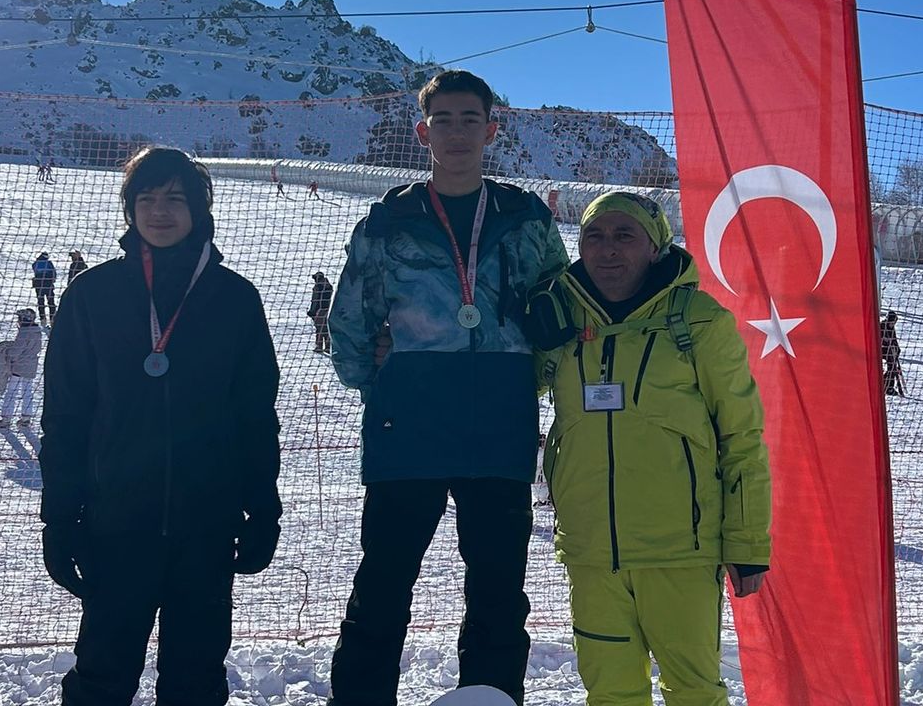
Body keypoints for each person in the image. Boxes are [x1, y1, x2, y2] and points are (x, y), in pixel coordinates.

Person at [326, 69, 569, 706]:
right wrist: (381, 383)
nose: (456, 132)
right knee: (383, 586)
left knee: (498, 593)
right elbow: (350, 319)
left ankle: (489, 698)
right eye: (443, 120)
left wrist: (533, 382)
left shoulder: (526, 218)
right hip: (409, 429)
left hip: (500, 428)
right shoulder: (389, 221)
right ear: (422, 132)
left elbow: (559, 309)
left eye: (470, 119)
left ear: (492, 130)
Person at [39, 146, 282, 706]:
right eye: (146, 198)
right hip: (116, 524)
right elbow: (66, 418)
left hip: (207, 525)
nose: (159, 211)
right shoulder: (92, 295)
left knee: (195, 679)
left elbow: (255, 416)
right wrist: (60, 519)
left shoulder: (235, 298)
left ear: (199, 208)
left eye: (175, 198)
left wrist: (263, 509)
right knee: (101, 675)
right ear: (130, 210)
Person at [527, 191, 771, 706]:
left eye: (625, 235)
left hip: (679, 550)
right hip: (592, 551)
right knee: (609, 693)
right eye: (594, 236)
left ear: (655, 247)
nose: (608, 249)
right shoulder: (562, 319)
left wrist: (747, 545)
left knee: (695, 692)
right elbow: (517, 386)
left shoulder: (698, 322)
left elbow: (742, 437)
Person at [0, 308, 43, 429]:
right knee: (27, 391)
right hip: (31, 366)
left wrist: (8, 352)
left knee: (11, 392)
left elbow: (16, 352)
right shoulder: (37, 332)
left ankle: (6, 419)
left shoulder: (24, 333)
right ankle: (26, 418)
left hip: (19, 366)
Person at [308, 271, 334, 353]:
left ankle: (319, 346)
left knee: (319, 329)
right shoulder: (329, 287)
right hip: (328, 310)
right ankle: (327, 347)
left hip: (319, 311)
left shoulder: (318, 287)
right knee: (326, 329)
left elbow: (315, 300)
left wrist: (312, 311)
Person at [880, 310, 904, 396]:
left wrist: (897, 350)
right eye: (892, 322)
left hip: (889, 350)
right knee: (891, 367)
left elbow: (894, 339)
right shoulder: (881, 326)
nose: (893, 324)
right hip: (881, 350)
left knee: (892, 367)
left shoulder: (891, 328)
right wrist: (885, 341)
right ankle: (886, 384)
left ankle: (888, 385)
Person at [32, 252, 57, 324]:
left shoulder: (35, 263)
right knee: (51, 302)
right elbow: (54, 272)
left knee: (40, 302)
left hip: (39, 285)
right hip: (48, 284)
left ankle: (42, 318)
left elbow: (35, 270)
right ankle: (52, 318)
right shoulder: (49, 263)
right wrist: (53, 279)